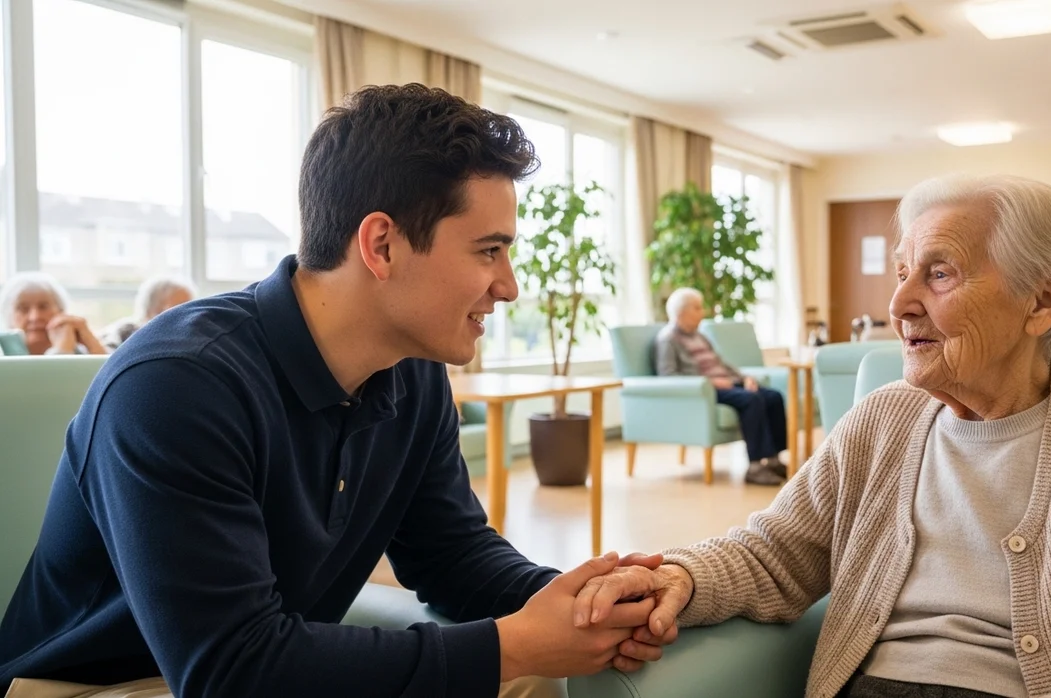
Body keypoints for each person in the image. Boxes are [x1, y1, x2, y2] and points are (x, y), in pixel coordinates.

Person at [0, 85, 677, 698]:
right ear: (381, 245)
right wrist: (514, 643)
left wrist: (581, 601)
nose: (509, 286)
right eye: (488, 250)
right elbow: (230, 671)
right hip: (94, 684)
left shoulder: (412, 375)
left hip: (248, 658)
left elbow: (452, 556)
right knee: (512, 663)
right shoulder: (176, 387)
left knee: (531, 681)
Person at [575, 175, 1051, 698]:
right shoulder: (882, 419)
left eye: (939, 273)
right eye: (902, 272)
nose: (898, 305)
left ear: (1043, 300)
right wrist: (679, 578)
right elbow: (775, 554)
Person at [655, 288, 789, 486]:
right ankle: (754, 467)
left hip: (728, 382)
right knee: (752, 400)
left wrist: (744, 378)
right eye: (697, 308)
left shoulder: (699, 336)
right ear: (681, 312)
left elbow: (721, 364)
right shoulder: (668, 339)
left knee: (774, 397)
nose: (703, 312)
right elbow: (668, 375)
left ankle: (773, 459)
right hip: (707, 390)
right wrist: (710, 382)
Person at [0, 272, 108, 356]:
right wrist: (61, 352)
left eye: (43, 307)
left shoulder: (75, 348)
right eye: (23, 309)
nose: (35, 317)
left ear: (61, 311)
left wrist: (91, 342)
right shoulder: (3, 348)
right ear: (9, 316)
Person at [98, 276, 197, 351]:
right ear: (153, 307)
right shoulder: (124, 331)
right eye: (178, 306)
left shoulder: (189, 339)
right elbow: (104, 367)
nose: (186, 313)